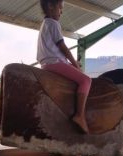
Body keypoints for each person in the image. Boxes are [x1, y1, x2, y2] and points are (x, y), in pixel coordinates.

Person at [37, 0, 92, 134]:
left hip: (46, 64)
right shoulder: (53, 23)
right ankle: (80, 115)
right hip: (54, 63)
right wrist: (75, 65)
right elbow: (63, 48)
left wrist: (72, 64)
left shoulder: (44, 24)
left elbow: (54, 50)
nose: (62, 12)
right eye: (60, 8)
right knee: (86, 80)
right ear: (51, 6)